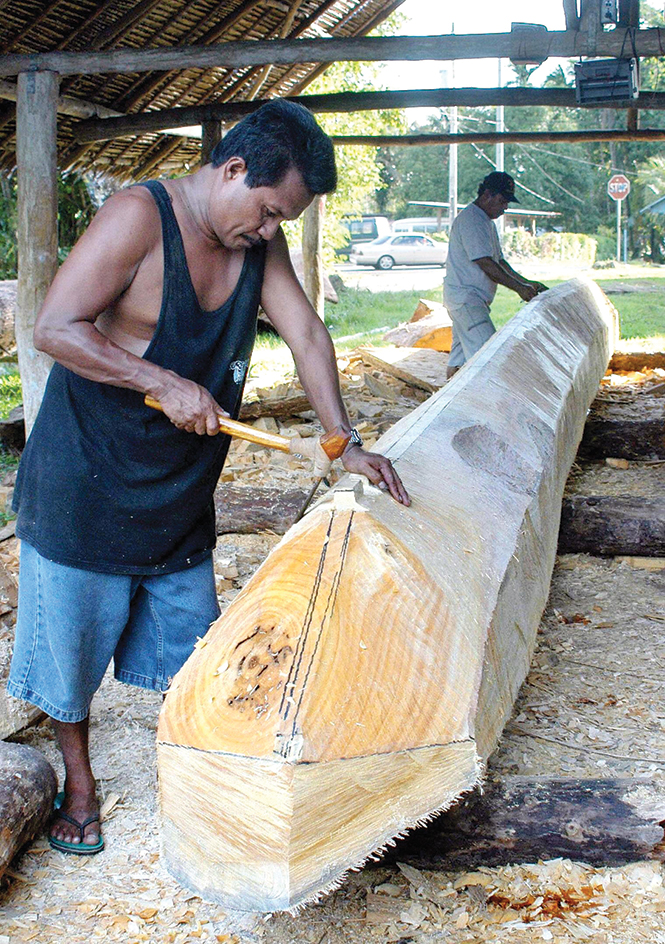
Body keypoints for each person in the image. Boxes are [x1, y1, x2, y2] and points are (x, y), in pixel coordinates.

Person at [7, 100, 410, 855]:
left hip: (179, 489)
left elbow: (307, 334)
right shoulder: (137, 216)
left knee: (198, 653)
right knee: (68, 655)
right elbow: (55, 327)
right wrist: (158, 379)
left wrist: (341, 442)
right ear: (231, 169)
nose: (268, 231)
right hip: (84, 482)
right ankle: (81, 783)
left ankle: (197, 775)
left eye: (281, 220)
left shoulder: (260, 240)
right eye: (264, 211)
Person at [443, 171, 548, 379]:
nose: (505, 207)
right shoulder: (472, 220)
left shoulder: (485, 221)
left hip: (467, 300)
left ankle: (446, 403)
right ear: (487, 195)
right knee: (488, 360)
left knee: (460, 360)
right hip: (467, 300)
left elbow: (500, 262)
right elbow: (485, 263)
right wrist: (519, 288)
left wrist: (526, 283)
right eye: (502, 201)